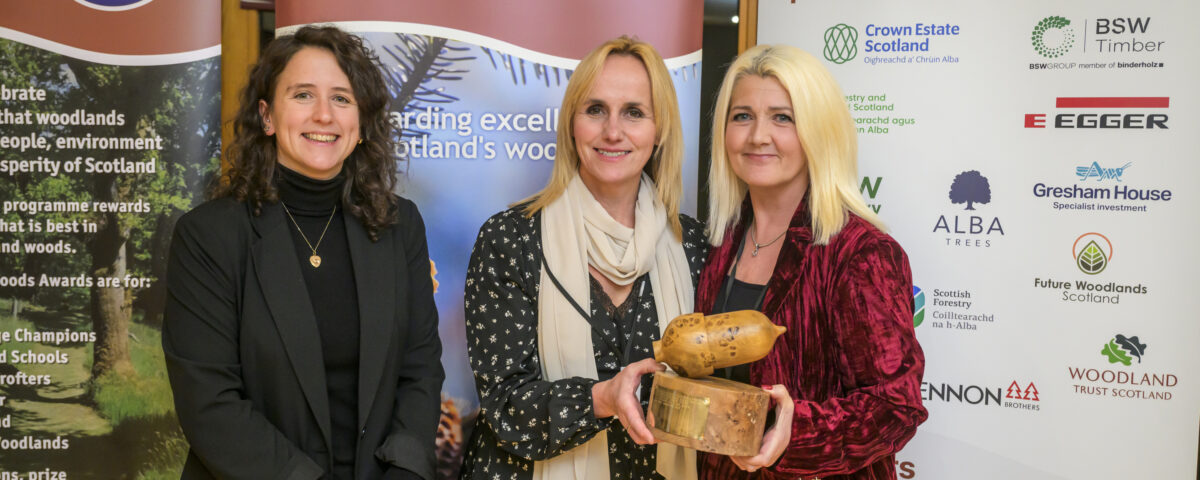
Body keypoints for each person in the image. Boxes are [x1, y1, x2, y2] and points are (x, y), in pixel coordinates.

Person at [163, 25, 443, 480]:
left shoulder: (400, 225)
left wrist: (405, 472)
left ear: (361, 123)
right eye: (303, 95)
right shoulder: (208, 236)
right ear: (267, 116)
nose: (324, 115)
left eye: (341, 98)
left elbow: (420, 371)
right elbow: (209, 402)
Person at [459, 36, 708, 480]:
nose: (613, 131)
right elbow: (504, 407)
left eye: (634, 112)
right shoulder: (510, 239)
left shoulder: (692, 245)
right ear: (571, 124)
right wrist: (602, 399)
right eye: (595, 109)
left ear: (660, 130)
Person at [696, 44, 927, 479]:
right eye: (742, 116)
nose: (758, 135)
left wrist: (794, 432)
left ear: (819, 132)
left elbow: (896, 405)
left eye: (783, 118)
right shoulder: (718, 243)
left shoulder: (859, 253)